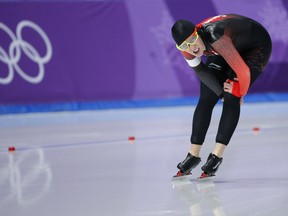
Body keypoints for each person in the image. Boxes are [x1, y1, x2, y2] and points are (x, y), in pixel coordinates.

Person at [171, 14, 272, 178]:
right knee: (206, 96)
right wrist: (219, 94)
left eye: (192, 41)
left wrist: (239, 93)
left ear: (197, 32)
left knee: (232, 93)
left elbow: (243, 72)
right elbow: (202, 72)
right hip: (226, 48)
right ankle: (193, 155)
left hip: (254, 46)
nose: (191, 48)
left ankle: (216, 156)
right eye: (184, 46)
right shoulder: (186, 48)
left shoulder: (215, 36)